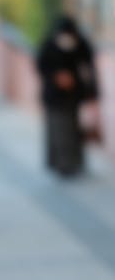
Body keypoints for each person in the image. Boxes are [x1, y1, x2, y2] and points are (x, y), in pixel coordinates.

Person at [36, 14, 99, 176]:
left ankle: (74, 163)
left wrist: (92, 93)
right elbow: (42, 65)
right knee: (56, 129)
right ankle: (59, 163)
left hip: (73, 95)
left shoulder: (80, 44)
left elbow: (89, 67)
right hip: (54, 96)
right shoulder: (49, 44)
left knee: (73, 131)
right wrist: (57, 76)